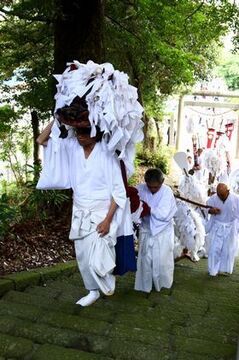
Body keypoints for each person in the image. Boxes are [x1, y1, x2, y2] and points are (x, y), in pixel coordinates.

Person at [36, 61, 144, 306]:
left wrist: (107, 220)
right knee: (83, 256)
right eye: (79, 131)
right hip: (80, 209)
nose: (81, 135)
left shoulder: (107, 153)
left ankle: (104, 285)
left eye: (86, 131)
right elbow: (42, 140)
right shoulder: (72, 146)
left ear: (95, 130)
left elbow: (119, 192)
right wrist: (58, 115)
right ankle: (92, 290)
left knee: (101, 255)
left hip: (101, 211)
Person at [134, 168, 177, 293]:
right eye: (150, 186)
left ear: (162, 182)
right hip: (146, 230)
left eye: (155, 187)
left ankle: (163, 284)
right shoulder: (140, 189)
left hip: (163, 231)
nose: (152, 189)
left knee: (162, 260)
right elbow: (135, 207)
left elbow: (163, 214)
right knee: (145, 260)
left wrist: (148, 208)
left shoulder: (167, 192)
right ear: (145, 182)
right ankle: (144, 285)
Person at [206, 183, 239, 276]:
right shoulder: (213, 198)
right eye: (218, 195)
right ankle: (212, 270)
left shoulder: (236, 199)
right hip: (217, 226)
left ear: (228, 191)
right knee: (214, 249)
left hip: (231, 227)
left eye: (222, 195)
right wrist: (211, 211)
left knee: (228, 250)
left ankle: (224, 269)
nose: (220, 197)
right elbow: (205, 208)